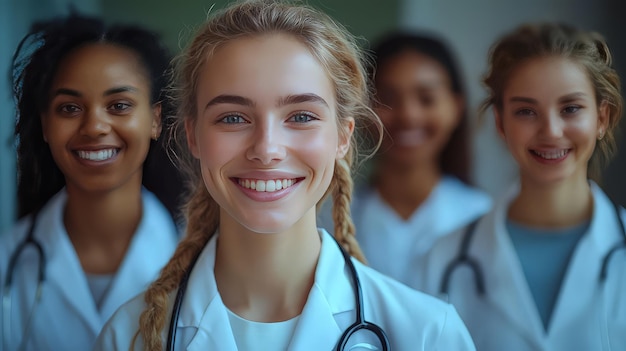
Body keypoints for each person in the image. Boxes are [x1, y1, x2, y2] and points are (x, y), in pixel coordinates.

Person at [94, 1, 476, 350]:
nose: (266, 148)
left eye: (301, 116)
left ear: (342, 136)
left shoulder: (429, 334)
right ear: (193, 135)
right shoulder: (127, 337)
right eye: (232, 118)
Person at [422, 23, 626, 351]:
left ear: (602, 118)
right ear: (501, 123)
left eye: (571, 108)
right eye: (526, 111)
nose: (551, 131)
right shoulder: (441, 262)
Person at [0, 14, 180, 351]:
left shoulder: (201, 259)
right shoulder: (7, 262)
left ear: (155, 120)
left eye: (119, 105)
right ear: (45, 126)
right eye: (69, 108)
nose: (95, 126)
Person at [318, 31, 491, 288]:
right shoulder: (328, 219)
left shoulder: (482, 217)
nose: (408, 116)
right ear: (362, 110)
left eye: (426, 99)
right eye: (387, 99)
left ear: (456, 107)